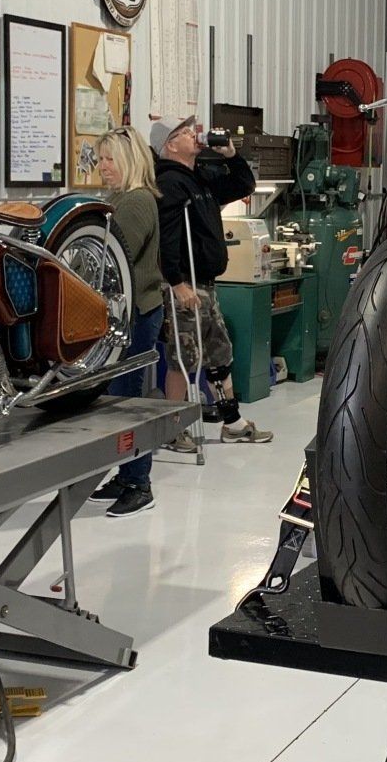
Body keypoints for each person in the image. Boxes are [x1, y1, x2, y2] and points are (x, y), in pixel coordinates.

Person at [152, 115, 274, 446]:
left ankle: (232, 423)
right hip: (186, 284)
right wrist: (176, 283)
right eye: (184, 132)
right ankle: (173, 429)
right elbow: (167, 238)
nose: (194, 135)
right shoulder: (170, 183)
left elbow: (244, 186)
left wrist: (231, 156)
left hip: (206, 283)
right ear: (170, 145)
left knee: (219, 352)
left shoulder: (199, 179)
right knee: (183, 357)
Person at [89, 128, 167, 517]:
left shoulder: (135, 201)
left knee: (128, 403)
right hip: (128, 314)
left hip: (137, 315)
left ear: (129, 161)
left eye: (109, 159)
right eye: (100, 159)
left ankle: (139, 483)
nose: (102, 166)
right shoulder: (119, 198)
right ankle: (125, 475)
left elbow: (114, 259)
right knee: (119, 399)